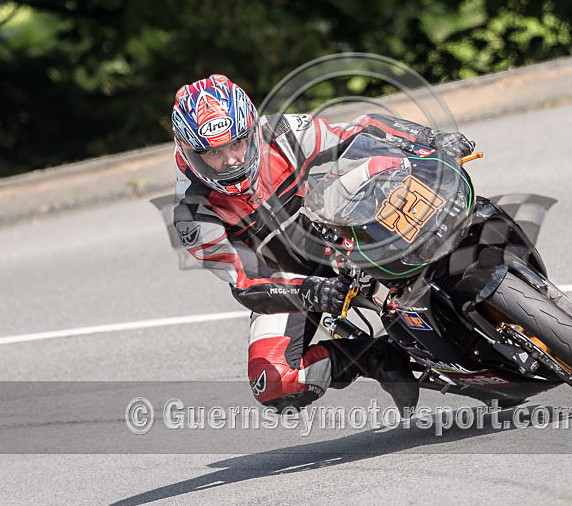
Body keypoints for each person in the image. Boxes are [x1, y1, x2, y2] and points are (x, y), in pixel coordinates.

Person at [171, 74, 474, 414]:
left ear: (252, 131)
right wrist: (310, 290)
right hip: (289, 282)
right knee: (273, 383)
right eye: (213, 153)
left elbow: (357, 131)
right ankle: (371, 356)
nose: (230, 161)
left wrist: (429, 138)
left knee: (396, 168)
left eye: (237, 144)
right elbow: (247, 280)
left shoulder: (282, 134)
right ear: (188, 153)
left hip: (336, 226)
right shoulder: (192, 213)